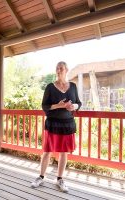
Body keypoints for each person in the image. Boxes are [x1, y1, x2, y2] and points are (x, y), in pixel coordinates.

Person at [31, 61, 81, 192]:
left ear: (66, 70)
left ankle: (60, 179)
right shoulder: (50, 87)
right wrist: (59, 105)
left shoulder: (73, 86)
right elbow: (45, 106)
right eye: (57, 68)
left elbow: (79, 103)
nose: (59, 70)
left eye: (61, 68)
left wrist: (73, 106)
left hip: (67, 124)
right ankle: (41, 177)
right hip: (53, 124)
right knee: (47, 151)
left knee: (63, 153)